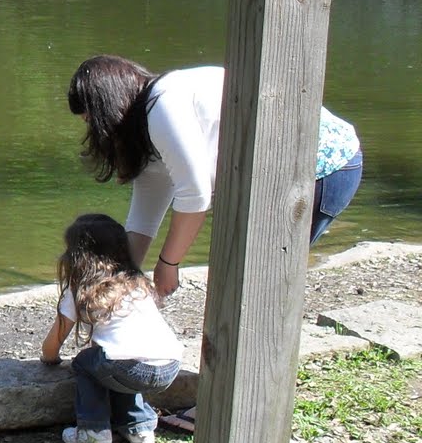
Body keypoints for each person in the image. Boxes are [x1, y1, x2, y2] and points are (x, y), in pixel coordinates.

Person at [67, 55, 363, 300]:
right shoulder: (149, 134)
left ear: (108, 107)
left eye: (90, 120)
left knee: (262, 279)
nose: (93, 132)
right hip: (278, 178)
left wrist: (168, 263)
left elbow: (195, 195)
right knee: (246, 276)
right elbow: (143, 222)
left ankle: (258, 368)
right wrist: (117, 282)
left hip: (323, 166)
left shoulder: (164, 104)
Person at [40, 214, 184, 443]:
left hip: (129, 367)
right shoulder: (137, 282)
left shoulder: (80, 290)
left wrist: (50, 360)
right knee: (116, 361)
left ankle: (93, 431)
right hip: (170, 364)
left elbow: (50, 348)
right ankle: (140, 430)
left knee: (88, 362)